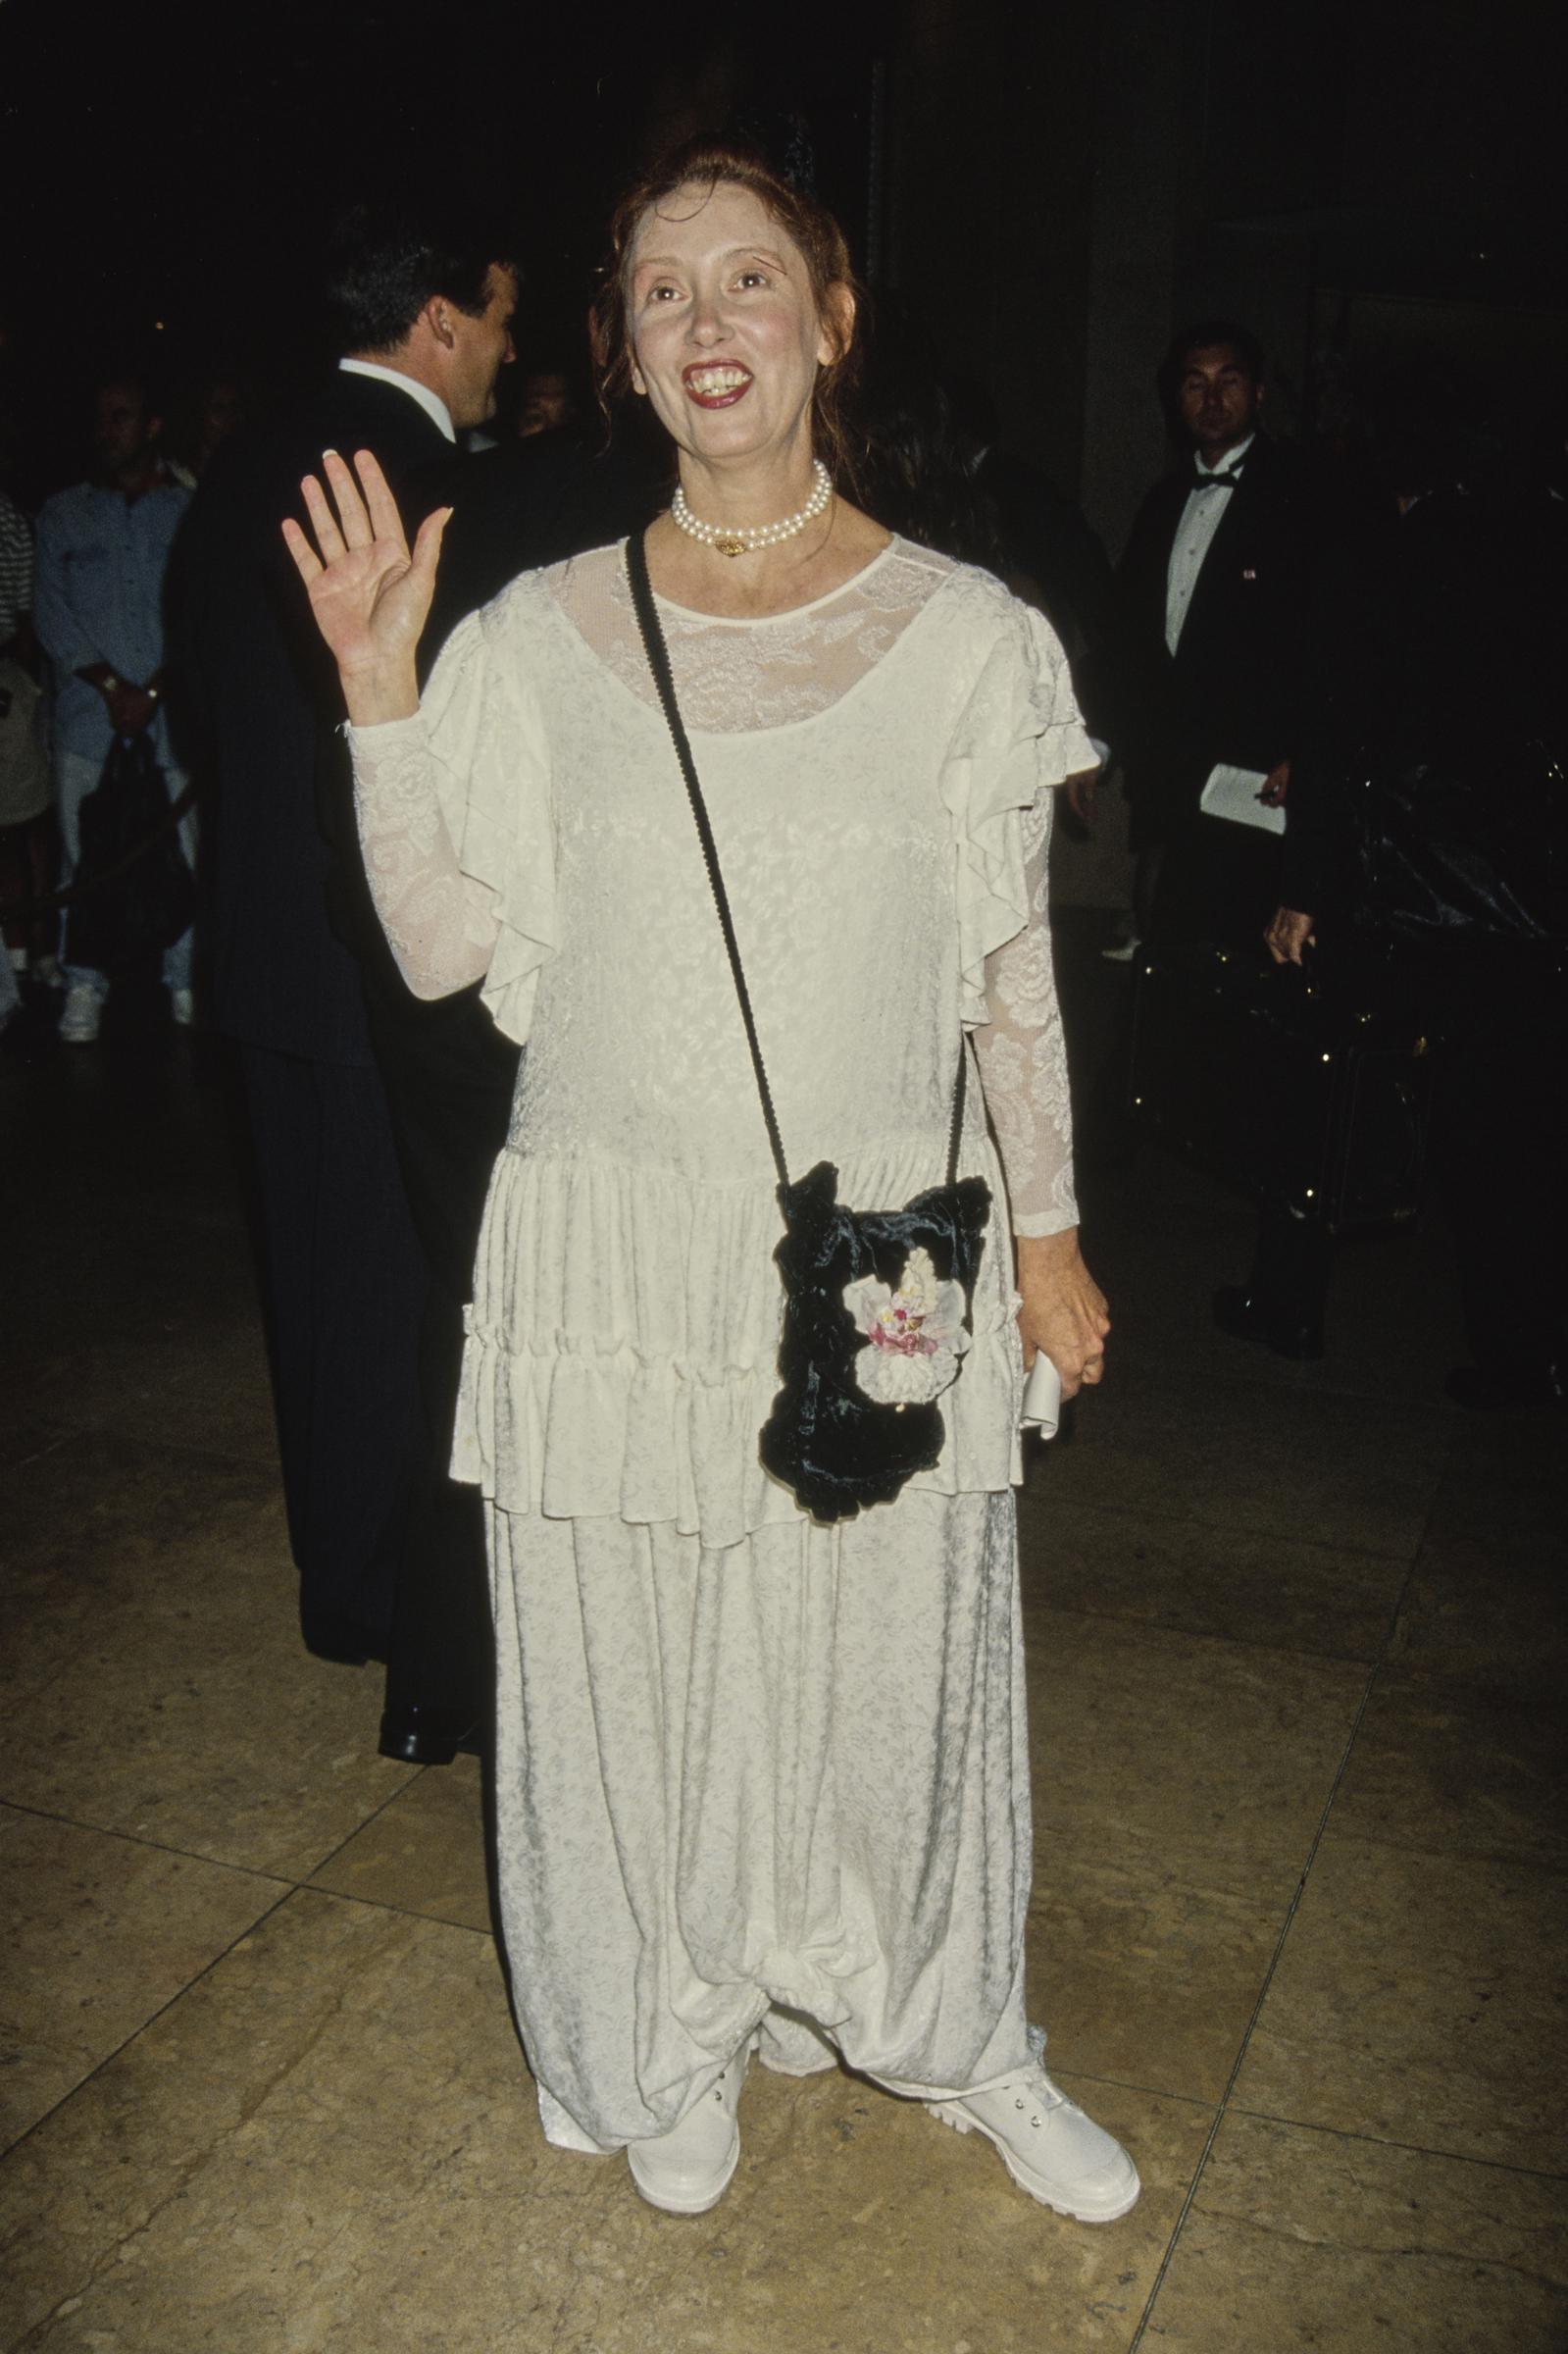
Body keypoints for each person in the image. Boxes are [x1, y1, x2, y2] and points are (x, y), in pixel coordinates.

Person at [284, 140, 1138, 2225]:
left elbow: (1005, 976)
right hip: (612, 1232)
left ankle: (945, 2021)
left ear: (829, 324)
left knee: (885, 1656)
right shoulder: (543, 628)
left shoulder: (964, 633)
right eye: (660, 293)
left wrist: (1046, 1233)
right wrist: (380, 697)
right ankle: (665, 2015)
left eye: (748, 279)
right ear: (627, 357)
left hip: (875, 1244)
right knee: (631, 1654)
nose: (705, 322)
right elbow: (436, 949)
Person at [177, 198, 521, 1751]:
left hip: (261, 951)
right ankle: (389, 1603)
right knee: (401, 1290)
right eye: (500, 320)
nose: (510, 354)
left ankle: (337, 1584)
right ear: (437, 321)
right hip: (391, 966)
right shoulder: (441, 486)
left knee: (313, 1283)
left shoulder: (238, 467)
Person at [1261, 365, 1568, 1400]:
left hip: (1428, 888)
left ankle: (1310, 1311)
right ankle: (1529, 1341)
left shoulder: (1376, 560)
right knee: (1526, 1120)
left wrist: (1305, 886)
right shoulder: (1536, 545)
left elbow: (1336, 733)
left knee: (1398, 1110)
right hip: (1534, 886)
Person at [1114, 323, 1313, 955]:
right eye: (1195, 384)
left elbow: (1330, 639)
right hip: (1173, 767)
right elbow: (1132, 635)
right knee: (1169, 948)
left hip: (1257, 773)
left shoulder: (1303, 497)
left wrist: (1307, 748)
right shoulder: (1163, 501)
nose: (1212, 398)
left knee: (1248, 954)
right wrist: (1095, 736)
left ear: (1258, 393)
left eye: (1228, 381)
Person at [32, 374, 194, 1044]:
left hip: (172, 723)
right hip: (87, 723)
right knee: (83, 860)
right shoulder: (64, 513)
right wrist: (111, 688)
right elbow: (51, 612)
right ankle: (84, 989)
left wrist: (154, 690)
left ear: (152, 426)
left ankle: (184, 980)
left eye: (121, 417)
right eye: (100, 419)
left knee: (182, 853)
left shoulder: (190, 509)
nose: (107, 431)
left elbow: (201, 613)